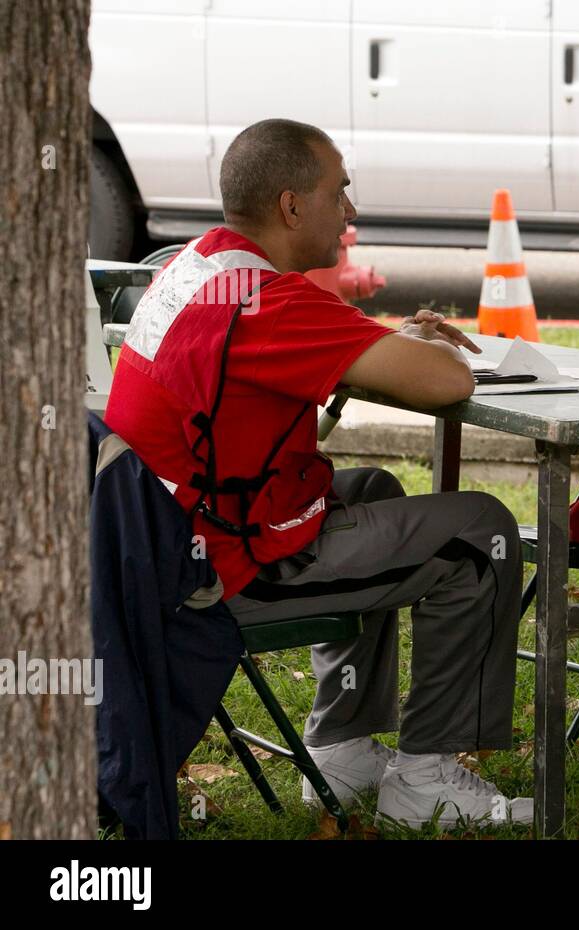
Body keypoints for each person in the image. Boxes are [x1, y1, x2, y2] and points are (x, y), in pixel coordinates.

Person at [105, 118, 530, 829]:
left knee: (371, 489)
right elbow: (445, 383)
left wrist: (388, 341)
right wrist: (419, 343)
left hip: (161, 545)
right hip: (213, 577)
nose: (352, 212)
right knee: (478, 532)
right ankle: (426, 780)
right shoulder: (271, 302)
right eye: (341, 192)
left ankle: (341, 744)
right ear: (291, 206)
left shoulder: (199, 266)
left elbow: (305, 349)